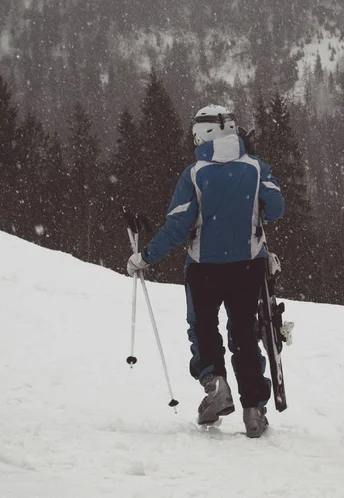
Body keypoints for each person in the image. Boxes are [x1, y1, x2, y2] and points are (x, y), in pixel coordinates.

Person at [127, 104, 284, 438]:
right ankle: (254, 409)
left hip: (204, 269)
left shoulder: (195, 173)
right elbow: (278, 206)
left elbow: (176, 226)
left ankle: (215, 386)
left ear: (200, 133)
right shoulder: (257, 167)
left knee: (203, 328)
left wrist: (144, 257)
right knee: (244, 333)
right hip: (249, 264)